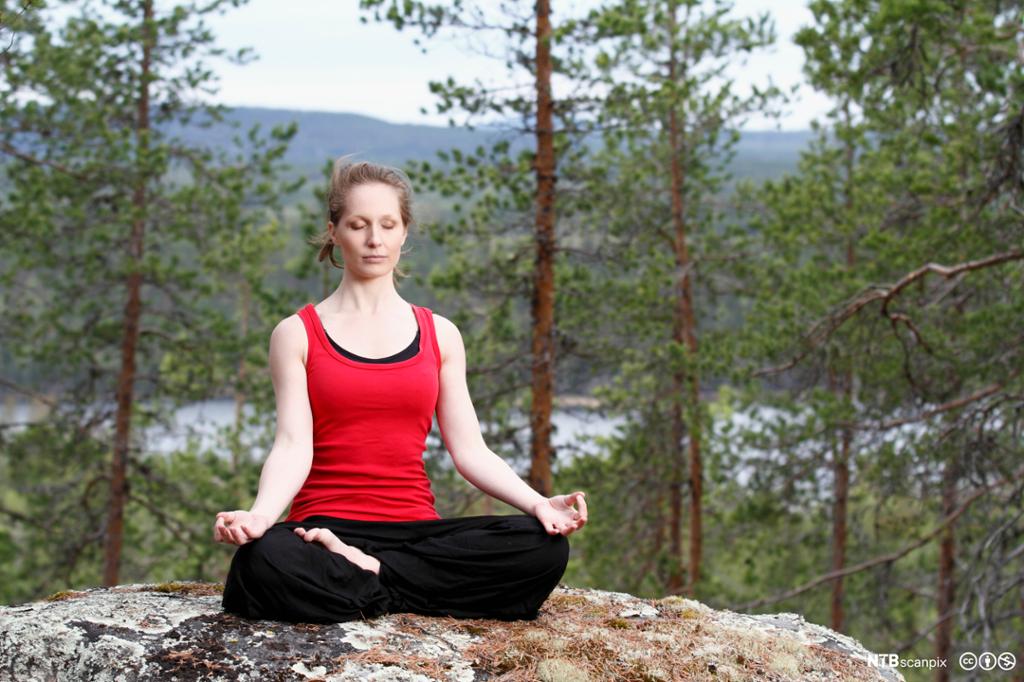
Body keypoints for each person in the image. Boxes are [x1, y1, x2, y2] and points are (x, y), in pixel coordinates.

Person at [213, 158, 588, 624]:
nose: (374, 239)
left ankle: (370, 578)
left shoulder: (440, 334)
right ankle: (391, 582)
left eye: (388, 224)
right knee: (262, 559)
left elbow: (470, 451)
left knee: (541, 547)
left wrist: (537, 502)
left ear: (404, 232)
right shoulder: (297, 333)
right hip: (321, 533)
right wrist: (260, 517)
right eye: (358, 225)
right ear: (334, 231)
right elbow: (292, 446)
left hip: (417, 534)